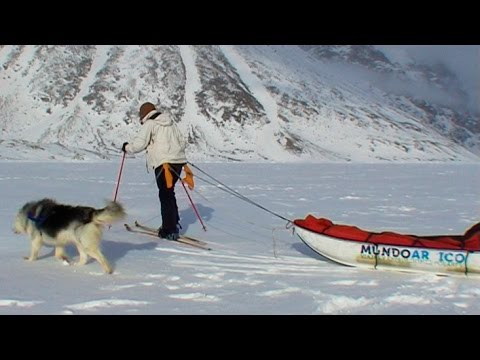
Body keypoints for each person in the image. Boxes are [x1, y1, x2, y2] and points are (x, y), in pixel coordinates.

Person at [122, 102, 187, 240]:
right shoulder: (171, 123)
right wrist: (175, 154)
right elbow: (182, 142)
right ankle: (173, 224)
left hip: (164, 164)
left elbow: (139, 144)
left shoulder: (150, 124)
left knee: (165, 194)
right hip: (178, 163)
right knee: (169, 193)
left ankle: (169, 230)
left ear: (144, 114)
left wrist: (127, 147)